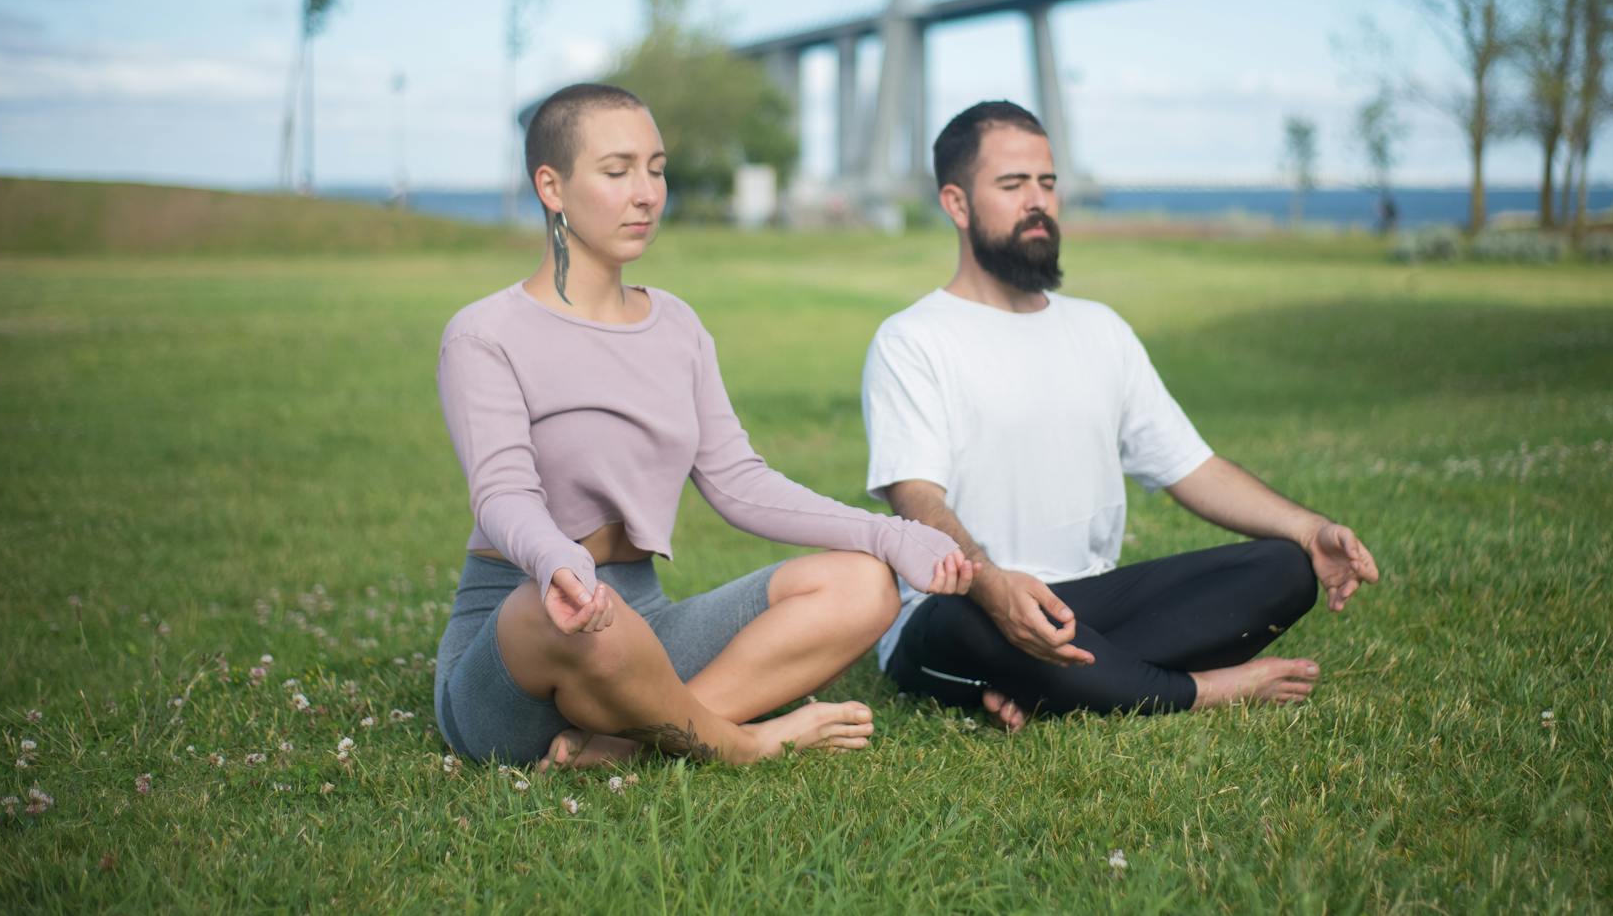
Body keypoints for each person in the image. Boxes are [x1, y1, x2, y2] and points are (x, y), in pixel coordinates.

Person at [432, 83, 973, 768]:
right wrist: (554, 559)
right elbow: (502, 493)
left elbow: (739, 481)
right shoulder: (484, 333)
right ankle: (742, 742)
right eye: (617, 170)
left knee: (866, 583)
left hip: (640, 624)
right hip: (527, 633)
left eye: (656, 169)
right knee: (562, 615)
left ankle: (623, 745)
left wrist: (892, 534)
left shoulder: (677, 325)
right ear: (552, 185)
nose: (647, 192)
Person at [862, 101, 1379, 730]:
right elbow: (915, 496)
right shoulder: (912, 339)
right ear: (957, 204)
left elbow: (1192, 467)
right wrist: (994, 586)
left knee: (1283, 570)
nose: (1039, 201)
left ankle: (1054, 684)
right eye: (1012, 184)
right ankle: (1203, 690)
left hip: (1089, 602)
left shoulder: (1099, 329)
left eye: (1048, 183)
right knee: (968, 624)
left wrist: (1310, 530)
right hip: (960, 603)